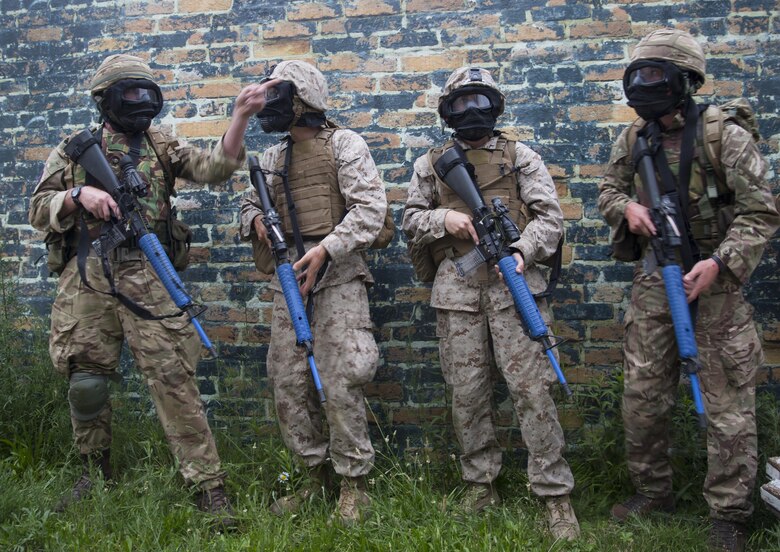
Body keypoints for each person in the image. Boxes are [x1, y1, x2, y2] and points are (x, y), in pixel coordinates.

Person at [29, 53, 265, 526]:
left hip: (148, 274)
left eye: (146, 94)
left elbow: (216, 167)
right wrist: (77, 196)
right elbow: (37, 209)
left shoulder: (160, 146)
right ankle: (94, 473)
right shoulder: (75, 149)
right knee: (87, 380)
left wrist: (240, 116)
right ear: (105, 100)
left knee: (174, 379)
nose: (140, 104)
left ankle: (208, 488)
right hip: (89, 274)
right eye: (129, 95)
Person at [598, 29, 780, 552]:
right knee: (642, 396)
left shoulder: (724, 136)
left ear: (686, 81)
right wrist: (626, 209)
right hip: (657, 280)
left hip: (715, 283)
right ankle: (652, 492)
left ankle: (730, 514)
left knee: (727, 405)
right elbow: (609, 188)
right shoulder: (633, 140)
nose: (644, 85)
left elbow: (761, 212)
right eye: (638, 76)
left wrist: (720, 263)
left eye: (656, 76)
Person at [402, 66, 580, 541]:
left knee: (533, 391)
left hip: (513, 287)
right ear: (447, 112)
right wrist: (447, 221)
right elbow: (410, 219)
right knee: (468, 393)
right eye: (460, 103)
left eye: (479, 101)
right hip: (457, 292)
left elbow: (550, 219)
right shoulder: (431, 164)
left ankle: (554, 495)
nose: (471, 111)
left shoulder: (521, 157)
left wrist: (521, 251)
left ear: (495, 106)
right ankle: (480, 484)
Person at [239, 60, 388, 525]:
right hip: (289, 281)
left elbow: (371, 209)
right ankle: (313, 476)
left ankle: (353, 484)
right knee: (287, 381)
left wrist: (327, 249)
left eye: (277, 94)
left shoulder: (344, 144)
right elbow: (246, 204)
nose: (269, 103)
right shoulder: (271, 160)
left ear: (302, 99)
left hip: (338, 278)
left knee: (343, 379)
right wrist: (256, 221)